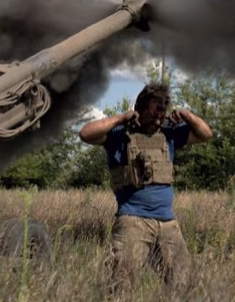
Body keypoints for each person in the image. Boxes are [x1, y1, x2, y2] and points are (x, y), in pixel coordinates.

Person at [79, 81, 214, 295]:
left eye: (162, 116)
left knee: (185, 285)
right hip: (133, 222)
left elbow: (206, 134)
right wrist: (121, 118)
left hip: (168, 223)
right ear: (139, 110)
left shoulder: (169, 134)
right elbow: (85, 133)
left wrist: (187, 115)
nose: (158, 121)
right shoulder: (119, 135)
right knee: (120, 288)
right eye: (153, 115)